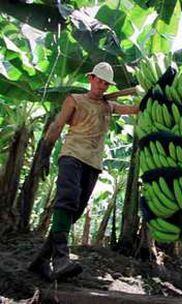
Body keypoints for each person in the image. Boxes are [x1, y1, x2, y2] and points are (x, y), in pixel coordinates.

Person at [28, 62, 140, 281]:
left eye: (106, 83)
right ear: (91, 79)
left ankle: (40, 261)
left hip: (92, 163)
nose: (101, 85)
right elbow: (57, 125)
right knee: (66, 201)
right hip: (71, 156)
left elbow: (135, 109)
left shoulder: (109, 106)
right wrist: (44, 153)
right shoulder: (74, 100)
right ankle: (60, 258)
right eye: (98, 80)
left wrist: (153, 94)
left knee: (75, 211)